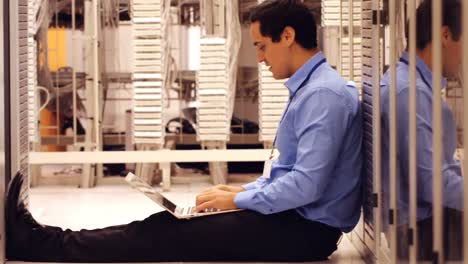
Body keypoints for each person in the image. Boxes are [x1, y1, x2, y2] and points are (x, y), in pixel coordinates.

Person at [6, 0, 362, 261]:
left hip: (303, 233)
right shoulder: (313, 89)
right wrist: (241, 190)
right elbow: (296, 174)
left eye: (261, 46)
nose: (261, 58)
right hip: (294, 221)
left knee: (166, 233)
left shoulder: (324, 95)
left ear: (288, 36)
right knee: (167, 224)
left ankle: (39, 244)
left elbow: (307, 185)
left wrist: (237, 201)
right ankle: (45, 237)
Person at [379, 0, 463, 260]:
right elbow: (433, 184)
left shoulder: (409, 84)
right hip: (425, 234)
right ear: (445, 35)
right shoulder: (410, 93)